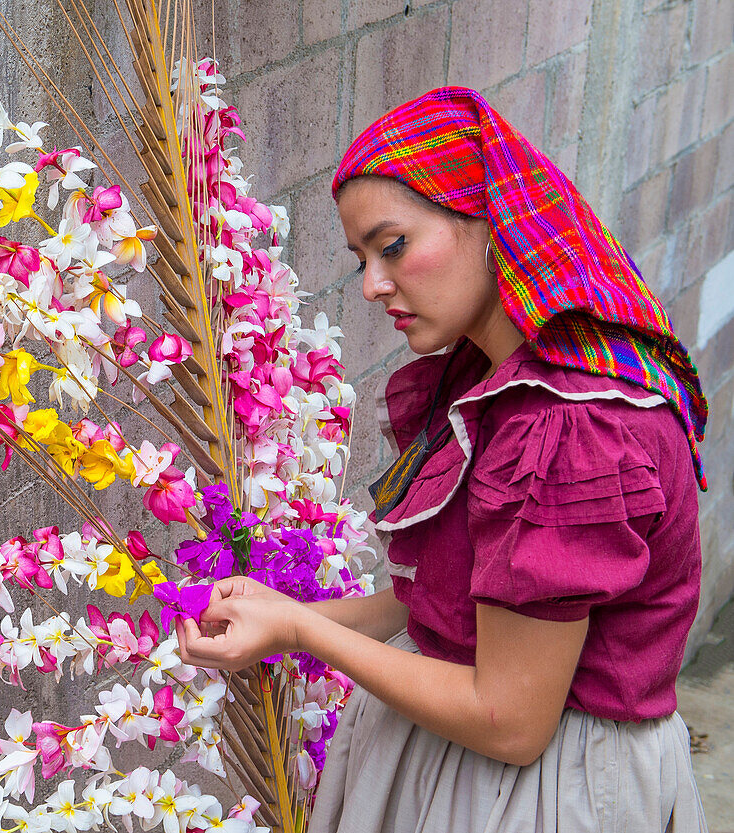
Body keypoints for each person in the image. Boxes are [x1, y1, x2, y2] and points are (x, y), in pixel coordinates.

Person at [175, 87, 711, 832]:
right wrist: (280, 613)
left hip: (543, 795)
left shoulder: (569, 430)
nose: (372, 285)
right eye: (363, 257)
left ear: (495, 222)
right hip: (471, 775)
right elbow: (450, 601)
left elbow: (510, 719)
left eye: (392, 246)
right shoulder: (507, 383)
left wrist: (301, 634)